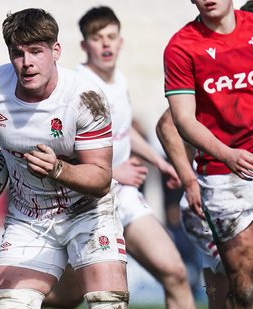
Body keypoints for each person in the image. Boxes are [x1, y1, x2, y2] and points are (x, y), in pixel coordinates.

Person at [0, 8, 130, 309]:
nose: (27, 63)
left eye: (36, 51)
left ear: (56, 50)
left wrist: (58, 169)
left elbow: (100, 179)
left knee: (107, 303)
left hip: (88, 212)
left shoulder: (84, 98)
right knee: (6, 305)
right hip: (28, 215)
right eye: (18, 53)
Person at [44, 6, 195, 309]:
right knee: (71, 296)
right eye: (97, 38)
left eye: (111, 37)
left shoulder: (120, 81)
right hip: (88, 199)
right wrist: (113, 173)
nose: (106, 44)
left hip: (123, 194)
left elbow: (124, 132)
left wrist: (160, 161)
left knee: (175, 272)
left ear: (120, 41)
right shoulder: (77, 87)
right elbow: (65, 153)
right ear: (85, 46)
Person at [163, 0, 253, 307]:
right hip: (220, 176)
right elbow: (179, 122)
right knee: (243, 284)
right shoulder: (182, 46)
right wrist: (216, 161)